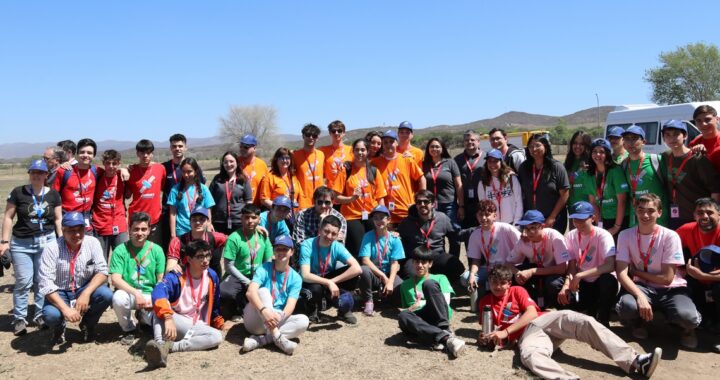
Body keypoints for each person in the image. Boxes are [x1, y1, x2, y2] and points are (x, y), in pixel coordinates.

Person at [478, 265, 663, 379]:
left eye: (502, 283)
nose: (497, 287)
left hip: (543, 321)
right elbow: (492, 331)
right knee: (529, 357)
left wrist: (506, 332)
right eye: (494, 282)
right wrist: (490, 338)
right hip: (529, 337)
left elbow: (532, 313)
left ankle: (636, 362)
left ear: (508, 283)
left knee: (582, 321)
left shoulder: (517, 290)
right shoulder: (485, 303)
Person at [615, 193, 702, 349]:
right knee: (627, 307)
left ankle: (687, 330)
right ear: (635, 211)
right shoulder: (625, 235)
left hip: (671, 289)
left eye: (651, 210)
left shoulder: (670, 236)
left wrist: (636, 272)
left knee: (688, 318)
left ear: (660, 212)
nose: (645, 215)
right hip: (643, 287)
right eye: (641, 210)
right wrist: (640, 295)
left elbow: (667, 279)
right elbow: (621, 273)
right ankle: (639, 322)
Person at [1, 159, 62, 335]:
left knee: (42, 281)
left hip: (47, 242)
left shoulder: (53, 195)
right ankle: (19, 318)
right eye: (33, 172)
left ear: (46, 175)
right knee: (23, 281)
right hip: (22, 243)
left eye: (40, 172)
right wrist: (4, 242)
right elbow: (7, 217)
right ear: (29, 174)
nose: (36, 175)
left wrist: (60, 241)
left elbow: (58, 219)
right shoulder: (18, 193)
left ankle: (40, 315)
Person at [145, 240, 224, 368]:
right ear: (189, 259)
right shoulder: (176, 276)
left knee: (216, 337)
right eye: (200, 257)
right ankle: (159, 345)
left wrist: (216, 319)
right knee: (160, 308)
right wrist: (168, 317)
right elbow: (158, 292)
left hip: (196, 325)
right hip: (176, 320)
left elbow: (214, 302)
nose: (205, 260)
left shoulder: (212, 276)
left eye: (207, 255)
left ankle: (170, 347)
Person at [38, 211, 113, 344]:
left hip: (83, 287)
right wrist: (65, 309)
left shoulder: (92, 243)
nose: (77, 234)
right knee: (51, 315)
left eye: (80, 229)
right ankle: (59, 327)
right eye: (71, 230)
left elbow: (102, 271)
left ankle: (87, 325)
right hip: (59, 291)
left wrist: (86, 293)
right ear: (63, 230)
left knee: (106, 294)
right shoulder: (51, 248)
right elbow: (46, 284)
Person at [241, 235, 309, 355]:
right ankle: (277, 337)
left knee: (304, 321)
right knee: (263, 292)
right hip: (256, 318)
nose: (281, 252)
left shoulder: (296, 278)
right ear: (274, 251)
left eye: (285, 249)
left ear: (292, 252)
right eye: (278, 249)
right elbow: (250, 292)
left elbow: (291, 305)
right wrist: (264, 311)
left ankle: (261, 340)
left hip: (275, 319)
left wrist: (280, 316)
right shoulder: (264, 268)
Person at [397, 246, 465, 358]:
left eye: (423, 262)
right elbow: (408, 309)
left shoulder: (440, 277)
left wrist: (421, 303)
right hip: (421, 321)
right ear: (413, 263)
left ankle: (442, 329)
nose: (420, 265)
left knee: (428, 284)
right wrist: (408, 310)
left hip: (438, 314)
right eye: (416, 262)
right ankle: (445, 338)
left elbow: (445, 301)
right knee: (403, 315)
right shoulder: (405, 285)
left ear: (430, 264)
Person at [558, 201, 618, 326]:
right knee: (565, 298)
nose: (578, 223)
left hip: (600, 281)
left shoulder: (603, 235)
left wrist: (581, 275)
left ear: (593, 218)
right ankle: (589, 309)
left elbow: (610, 265)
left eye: (582, 219)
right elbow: (572, 266)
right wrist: (566, 285)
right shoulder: (571, 236)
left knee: (608, 281)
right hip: (583, 283)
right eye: (575, 220)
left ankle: (604, 318)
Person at [109, 212, 166, 345]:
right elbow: (115, 279)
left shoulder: (156, 250)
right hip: (130, 293)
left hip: (149, 295)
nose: (139, 233)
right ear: (129, 230)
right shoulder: (120, 250)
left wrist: (155, 299)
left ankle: (143, 318)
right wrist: (136, 293)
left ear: (149, 230)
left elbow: (160, 279)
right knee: (118, 298)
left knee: (156, 325)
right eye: (136, 229)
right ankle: (129, 329)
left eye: (143, 229)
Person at [298, 215, 361, 324]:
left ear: (338, 235)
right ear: (320, 230)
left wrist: (332, 282)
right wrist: (328, 282)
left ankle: (343, 308)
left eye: (333, 234)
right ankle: (311, 309)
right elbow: (305, 275)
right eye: (326, 231)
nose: (329, 236)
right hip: (310, 282)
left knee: (354, 275)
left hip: (327, 279)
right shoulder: (307, 245)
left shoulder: (337, 246)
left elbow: (357, 268)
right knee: (316, 289)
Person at [660, 120, 720, 229]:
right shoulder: (665, 157)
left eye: (676, 134)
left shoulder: (697, 158)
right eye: (667, 135)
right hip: (674, 216)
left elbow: (715, 189)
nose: (672, 138)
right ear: (664, 139)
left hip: (697, 217)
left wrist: (713, 215)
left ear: (685, 136)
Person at [461, 200, 520, 309]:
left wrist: (513, 261)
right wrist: (472, 275)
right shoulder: (475, 234)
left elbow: (521, 245)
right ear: (476, 216)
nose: (483, 218)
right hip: (490, 267)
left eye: (487, 215)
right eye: (480, 215)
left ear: (494, 216)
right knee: (465, 278)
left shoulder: (505, 228)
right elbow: (476, 260)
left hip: (508, 267)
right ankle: (483, 291)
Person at [506, 210, 570, 310]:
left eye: (533, 228)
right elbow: (508, 263)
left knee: (553, 284)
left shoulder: (555, 237)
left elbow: (562, 268)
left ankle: (556, 306)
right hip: (538, 270)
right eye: (526, 228)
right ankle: (529, 304)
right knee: (512, 276)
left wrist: (532, 271)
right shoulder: (524, 240)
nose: (529, 232)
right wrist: (517, 273)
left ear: (542, 226)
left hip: (555, 272)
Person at [676, 199, 720, 343]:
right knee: (681, 285)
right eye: (700, 213)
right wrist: (679, 271)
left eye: (709, 212)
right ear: (694, 215)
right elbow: (667, 249)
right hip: (697, 280)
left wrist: (704, 275)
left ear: (719, 214)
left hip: (716, 281)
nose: (705, 216)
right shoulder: (686, 229)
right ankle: (692, 324)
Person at [397, 190, 465, 282]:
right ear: (416, 205)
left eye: (426, 201)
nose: (422, 204)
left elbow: (454, 236)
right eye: (419, 202)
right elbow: (398, 239)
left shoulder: (442, 218)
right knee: (410, 277)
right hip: (416, 258)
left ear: (433, 204)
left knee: (456, 266)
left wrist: (452, 255)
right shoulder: (406, 222)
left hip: (436, 255)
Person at [335, 138, 387, 257]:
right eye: (357, 150)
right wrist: (351, 199)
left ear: (368, 151)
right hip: (351, 216)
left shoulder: (373, 171)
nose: (360, 153)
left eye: (363, 150)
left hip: (371, 215)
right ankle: (358, 273)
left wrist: (382, 217)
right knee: (358, 249)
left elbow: (380, 198)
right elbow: (336, 197)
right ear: (352, 152)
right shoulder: (346, 170)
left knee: (374, 248)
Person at [220, 204, 272, 319]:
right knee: (224, 292)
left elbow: (268, 262)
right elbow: (228, 266)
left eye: (254, 217)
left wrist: (259, 279)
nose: (250, 221)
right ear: (241, 218)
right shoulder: (234, 238)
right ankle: (236, 310)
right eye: (246, 217)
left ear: (259, 219)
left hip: (258, 275)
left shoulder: (263, 236)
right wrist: (247, 282)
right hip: (238, 275)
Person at [517, 133, 570, 232]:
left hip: (553, 220)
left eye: (537, 145)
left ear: (545, 146)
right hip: (531, 221)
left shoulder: (556, 167)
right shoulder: (524, 168)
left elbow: (565, 194)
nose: (534, 149)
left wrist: (552, 217)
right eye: (531, 146)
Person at [371, 130, 425, 227]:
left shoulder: (407, 160)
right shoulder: (375, 163)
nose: (388, 144)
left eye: (391, 141)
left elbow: (421, 178)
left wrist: (421, 199)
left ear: (396, 143)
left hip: (406, 211)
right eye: (385, 142)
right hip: (386, 215)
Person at [358, 205, 405, 316]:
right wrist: (383, 277)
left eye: (382, 218)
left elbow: (395, 262)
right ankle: (368, 301)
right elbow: (365, 260)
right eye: (376, 218)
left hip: (389, 273)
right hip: (374, 273)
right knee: (363, 270)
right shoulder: (368, 236)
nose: (379, 221)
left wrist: (390, 281)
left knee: (400, 290)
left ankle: (385, 297)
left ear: (388, 220)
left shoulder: (394, 238)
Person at [161, 134, 205, 250]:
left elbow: (201, 190)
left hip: (190, 215)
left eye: (180, 146)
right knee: (172, 248)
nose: (177, 149)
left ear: (186, 147)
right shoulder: (164, 167)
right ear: (170, 148)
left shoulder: (194, 168)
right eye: (174, 146)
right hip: (170, 214)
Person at [422, 138, 464, 256]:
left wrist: (461, 205)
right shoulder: (424, 164)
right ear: (428, 149)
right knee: (435, 236)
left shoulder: (450, 162)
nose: (434, 149)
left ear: (442, 148)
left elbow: (459, 185)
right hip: (431, 207)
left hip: (449, 205)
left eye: (437, 146)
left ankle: (454, 263)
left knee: (454, 235)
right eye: (432, 146)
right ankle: (440, 263)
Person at [621, 125, 669, 227]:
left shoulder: (656, 160)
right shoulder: (623, 165)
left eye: (634, 139)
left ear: (644, 142)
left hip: (658, 221)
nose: (630, 143)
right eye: (627, 139)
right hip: (635, 221)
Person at [583, 138, 629, 237]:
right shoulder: (589, 174)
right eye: (594, 151)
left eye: (601, 152)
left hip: (619, 220)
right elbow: (593, 202)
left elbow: (622, 201)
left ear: (607, 154)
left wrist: (616, 227)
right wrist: (599, 223)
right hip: (602, 219)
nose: (597, 155)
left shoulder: (615, 170)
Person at [53, 138, 99, 231]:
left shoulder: (97, 171)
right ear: (77, 154)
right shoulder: (64, 171)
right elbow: (54, 197)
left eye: (89, 153)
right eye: (82, 152)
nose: (85, 155)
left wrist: (124, 170)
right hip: (67, 220)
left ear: (94, 156)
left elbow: (113, 172)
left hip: (86, 220)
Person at [126, 139, 166, 245]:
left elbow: (162, 187)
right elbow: (127, 194)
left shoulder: (160, 169)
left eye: (148, 153)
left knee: (154, 250)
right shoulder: (131, 171)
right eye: (142, 152)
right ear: (137, 153)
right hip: (136, 219)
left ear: (152, 154)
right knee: (135, 251)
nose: (145, 155)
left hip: (154, 220)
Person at [166, 207, 227, 276]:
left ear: (208, 222)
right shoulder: (177, 241)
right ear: (190, 222)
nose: (198, 222)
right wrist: (173, 269)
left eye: (202, 219)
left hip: (211, 280)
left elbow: (235, 242)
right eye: (194, 220)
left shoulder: (217, 237)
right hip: (186, 280)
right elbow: (169, 269)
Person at [92, 149, 129, 261]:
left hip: (119, 224)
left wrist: (124, 170)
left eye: (114, 163)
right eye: (108, 163)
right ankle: (103, 279)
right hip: (100, 225)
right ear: (103, 163)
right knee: (100, 261)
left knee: (122, 259)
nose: (111, 166)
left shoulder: (123, 177)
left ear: (119, 163)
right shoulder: (97, 175)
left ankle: (119, 279)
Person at [167, 157, 215, 239]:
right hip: (182, 232)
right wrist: (173, 234)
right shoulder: (175, 190)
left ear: (196, 171)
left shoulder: (203, 189)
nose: (186, 175)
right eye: (183, 172)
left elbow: (208, 209)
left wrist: (209, 224)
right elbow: (172, 213)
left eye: (189, 172)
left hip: (200, 230)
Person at [209, 151, 252, 234]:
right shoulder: (217, 179)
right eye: (225, 162)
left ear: (237, 162)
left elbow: (248, 202)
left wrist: (247, 220)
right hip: (218, 221)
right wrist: (209, 222)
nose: (228, 164)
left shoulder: (243, 180)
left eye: (231, 161)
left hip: (238, 221)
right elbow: (209, 202)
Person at [477, 149, 523, 225]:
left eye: (495, 161)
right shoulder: (482, 183)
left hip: (511, 223)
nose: (492, 164)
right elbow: (483, 207)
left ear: (501, 162)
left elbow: (519, 202)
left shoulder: (511, 178)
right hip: (494, 225)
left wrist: (516, 224)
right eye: (489, 161)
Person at [453, 130, 485, 229]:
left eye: (472, 139)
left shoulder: (486, 157)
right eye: (467, 140)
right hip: (465, 204)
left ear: (478, 141)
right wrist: (460, 206)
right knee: (468, 235)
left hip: (483, 202)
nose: (469, 142)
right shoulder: (457, 160)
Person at [258, 147, 304, 212]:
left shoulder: (293, 177)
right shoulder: (270, 177)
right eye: (282, 158)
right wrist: (281, 211)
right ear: (276, 160)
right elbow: (264, 200)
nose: (285, 160)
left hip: (293, 215)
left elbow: (299, 196)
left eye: (287, 158)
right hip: (277, 215)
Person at [293, 123, 325, 209]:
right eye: (308, 135)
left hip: (320, 199)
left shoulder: (321, 154)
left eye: (314, 135)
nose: (311, 137)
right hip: (303, 200)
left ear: (317, 138)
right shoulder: (295, 155)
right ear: (303, 136)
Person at [319, 120, 354, 193]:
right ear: (330, 133)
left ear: (344, 133)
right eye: (333, 131)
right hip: (330, 192)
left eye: (339, 131)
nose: (336, 133)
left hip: (347, 191)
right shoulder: (323, 151)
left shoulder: (351, 150)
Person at [238, 134, 268, 206]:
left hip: (257, 208)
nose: (242, 149)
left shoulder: (262, 165)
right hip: (238, 208)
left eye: (246, 147)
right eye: (241, 146)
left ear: (254, 148)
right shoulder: (235, 163)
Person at [564, 130, 592, 207]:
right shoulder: (567, 163)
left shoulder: (592, 162)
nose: (577, 146)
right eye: (575, 143)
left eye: (582, 144)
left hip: (587, 209)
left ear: (587, 145)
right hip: (572, 207)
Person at [689, 104, 720, 171]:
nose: (703, 124)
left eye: (707, 119)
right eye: (699, 121)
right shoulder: (694, 143)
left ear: (717, 119)